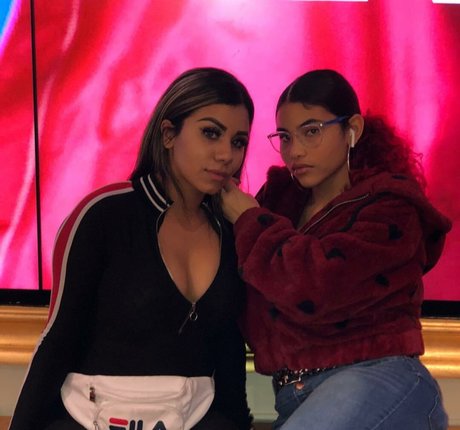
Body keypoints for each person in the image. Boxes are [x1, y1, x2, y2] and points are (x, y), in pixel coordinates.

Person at [9, 67, 255, 430]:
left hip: (195, 415)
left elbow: (229, 351)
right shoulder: (102, 215)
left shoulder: (232, 229)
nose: (225, 154)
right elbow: (58, 339)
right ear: (168, 134)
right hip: (89, 416)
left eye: (238, 141)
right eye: (210, 133)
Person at [221, 69, 451, 430]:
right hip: (295, 395)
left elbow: (318, 287)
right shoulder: (277, 204)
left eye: (312, 131)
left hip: (377, 377)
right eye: (285, 137)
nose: (295, 150)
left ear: (352, 129)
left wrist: (250, 220)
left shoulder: (391, 206)